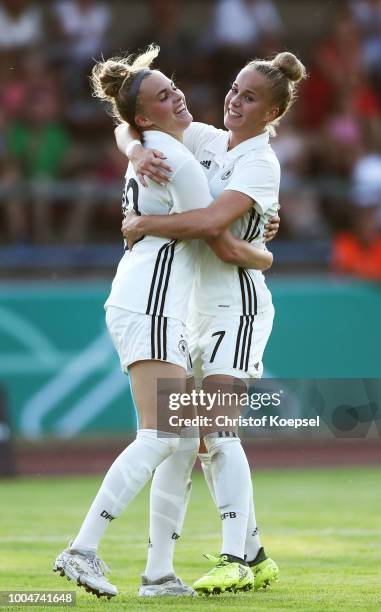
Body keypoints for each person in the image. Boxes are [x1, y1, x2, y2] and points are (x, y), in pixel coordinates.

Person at [53, 44, 273, 599]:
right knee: (164, 433)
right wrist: (256, 240)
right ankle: (83, 550)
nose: (179, 96)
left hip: (156, 302)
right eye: (163, 96)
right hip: (152, 302)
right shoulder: (171, 154)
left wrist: (146, 213)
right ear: (143, 116)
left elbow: (130, 140)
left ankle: (158, 575)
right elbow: (208, 226)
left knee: (177, 440)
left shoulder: (163, 143)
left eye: (174, 87)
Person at [117, 50, 306, 594]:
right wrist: (133, 147)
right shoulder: (206, 140)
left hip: (237, 308)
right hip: (195, 310)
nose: (234, 100)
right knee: (200, 441)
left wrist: (142, 222)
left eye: (249, 97)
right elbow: (130, 124)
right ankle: (256, 554)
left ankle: (234, 560)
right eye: (234, 89)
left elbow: (211, 225)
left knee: (219, 433)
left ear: (271, 114)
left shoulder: (259, 163)